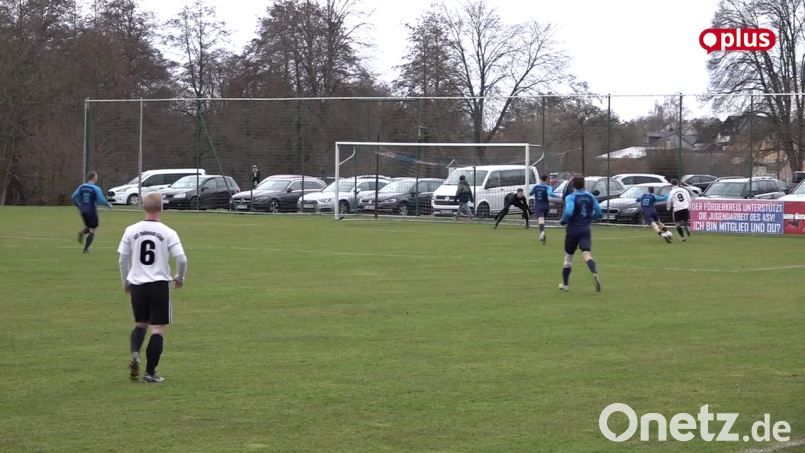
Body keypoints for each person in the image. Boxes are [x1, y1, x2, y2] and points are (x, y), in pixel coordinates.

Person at [118, 192, 188, 383]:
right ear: (161, 208)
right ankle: (150, 373)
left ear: (143, 208)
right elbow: (181, 259)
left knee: (140, 324)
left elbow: (123, 259)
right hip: (158, 285)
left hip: (138, 285)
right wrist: (179, 277)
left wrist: (126, 281)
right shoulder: (168, 232)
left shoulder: (131, 230)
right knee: (157, 330)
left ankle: (134, 354)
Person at [559, 176, 602, 292]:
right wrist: (589, 217)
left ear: (573, 186)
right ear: (584, 185)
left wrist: (563, 220)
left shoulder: (571, 197)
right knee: (587, 254)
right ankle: (594, 272)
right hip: (585, 229)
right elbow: (598, 210)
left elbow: (568, 211)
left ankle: (565, 285)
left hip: (573, 229)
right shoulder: (590, 196)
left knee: (568, 258)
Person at [72, 171, 112, 253]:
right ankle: (86, 248)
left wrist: (79, 206)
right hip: (92, 211)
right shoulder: (96, 188)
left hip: (83, 211)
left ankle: (82, 233)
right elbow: (101, 199)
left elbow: (73, 197)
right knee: (93, 229)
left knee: (89, 226)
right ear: (94, 178)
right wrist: (108, 204)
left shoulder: (82, 187)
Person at [529, 174, 560, 244]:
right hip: (546, 206)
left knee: (541, 220)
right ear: (546, 180)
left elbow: (530, 193)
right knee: (543, 220)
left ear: (540, 180)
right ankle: (542, 232)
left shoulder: (536, 187)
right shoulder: (548, 187)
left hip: (538, 205)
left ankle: (542, 232)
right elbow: (550, 194)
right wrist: (558, 196)